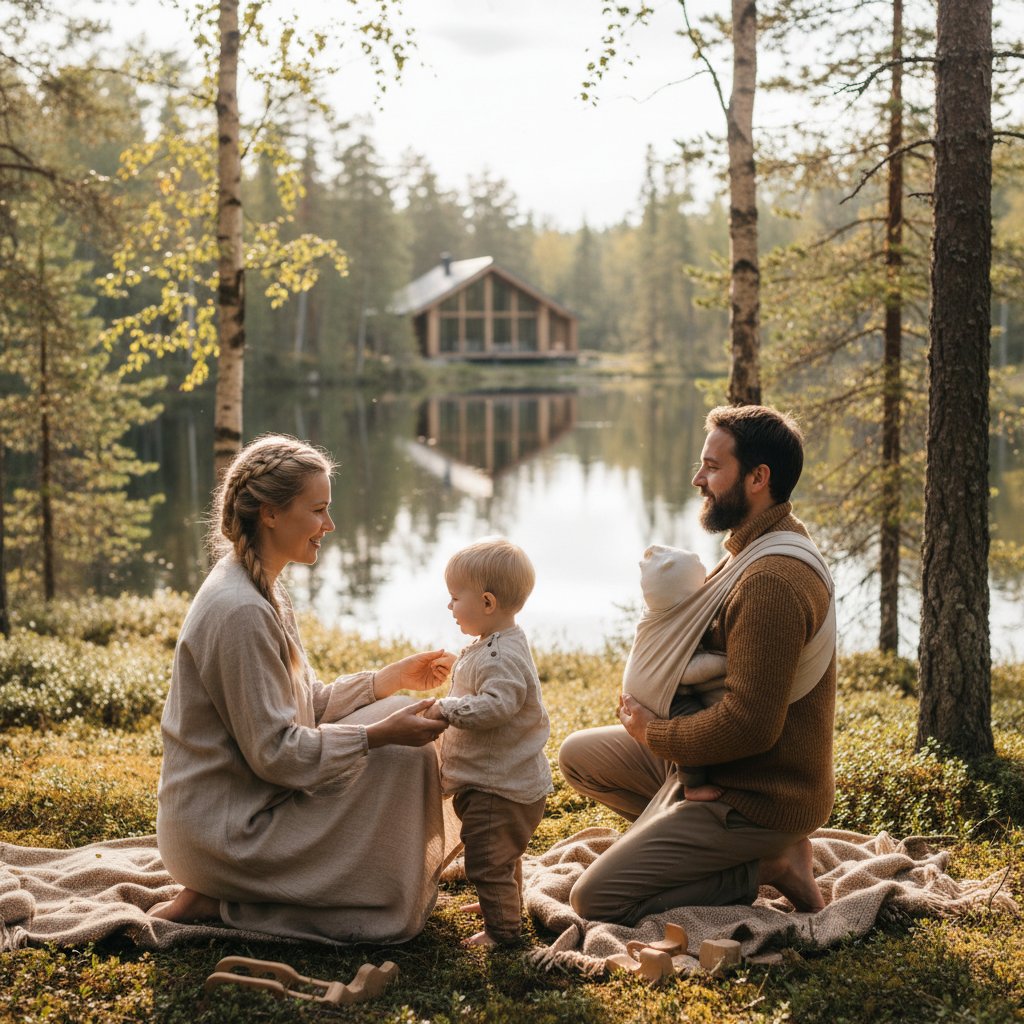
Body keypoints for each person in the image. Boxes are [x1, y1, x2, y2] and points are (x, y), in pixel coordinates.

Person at [152, 434, 455, 944]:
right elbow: (277, 754)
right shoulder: (241, 610)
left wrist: (389, 681)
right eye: (318, 511)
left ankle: (244, 891)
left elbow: (304, 707)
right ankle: (232, 895)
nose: (329, 526)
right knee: (406, 757)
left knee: (409, 713)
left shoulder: (262, 587)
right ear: (270, 513)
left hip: (248, 808)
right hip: (227, 834)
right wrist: (377, 736)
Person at [558, 404, 836, 924]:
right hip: (721, 765)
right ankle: (680, 844)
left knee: (594, 900)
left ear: (758, 478)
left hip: (761, 794)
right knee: (579, 755)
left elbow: (750, 726)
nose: (697, 479)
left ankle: (768, 863)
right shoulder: (753, 549)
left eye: (712, 467)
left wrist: (655, 733)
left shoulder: (771, 582)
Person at [421, 538, 553, 948]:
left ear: (488, 602)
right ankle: (501, 901)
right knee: (502, 856)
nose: (449, 606)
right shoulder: (494, 644)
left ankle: (503, 931)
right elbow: (483, 676)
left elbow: (497, 706)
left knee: (487, 861)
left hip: (501, 789)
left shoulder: (501, 657)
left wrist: (447, 708)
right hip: (500, 783)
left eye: (454, 597)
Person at [624, 544, 728, 801]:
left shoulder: (658, 614)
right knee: (689, 723)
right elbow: (685, 671)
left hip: (642, 688)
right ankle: (691, 784)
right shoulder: (672, 626)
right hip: (657, 693)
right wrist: (726, 663)